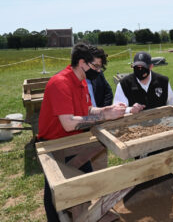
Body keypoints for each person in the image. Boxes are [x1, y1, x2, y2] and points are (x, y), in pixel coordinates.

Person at [37, 42, 126, 222]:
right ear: (81, 62)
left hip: (74, 141)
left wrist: (106, 110)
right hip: (54, 145)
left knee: (84, 183)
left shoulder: (82, 81)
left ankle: (84, 215)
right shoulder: (60, 83)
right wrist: (106, 118)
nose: (99, 71)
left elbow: (86, 110)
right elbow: (69, 123)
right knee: (58, 191)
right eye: (96, 66)